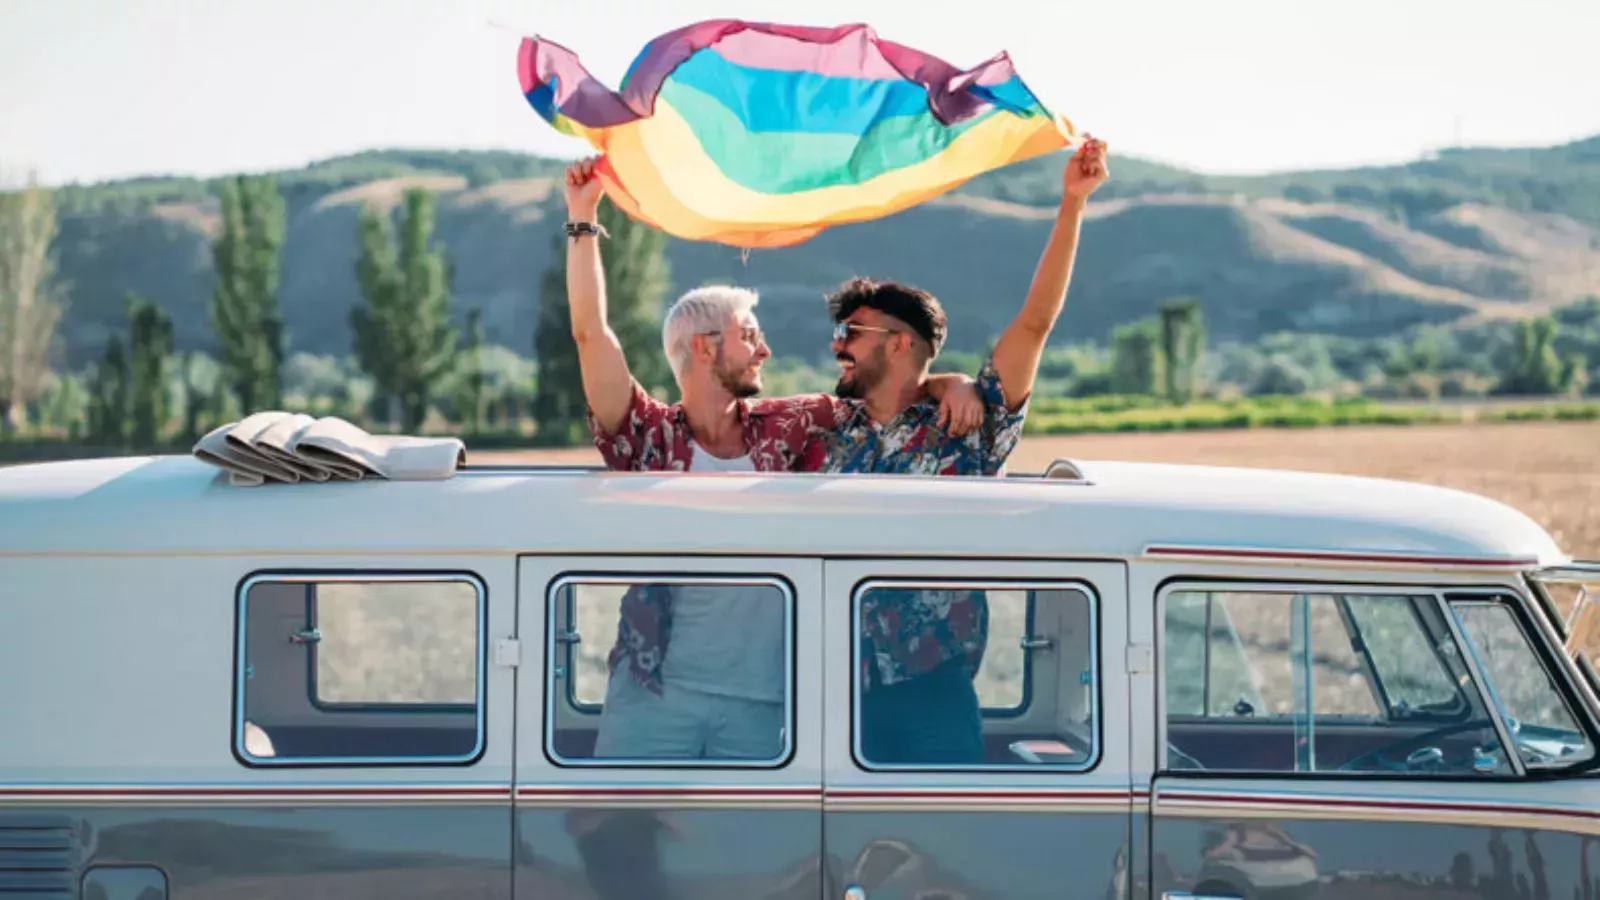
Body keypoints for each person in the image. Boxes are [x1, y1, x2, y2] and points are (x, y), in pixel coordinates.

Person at [560, 158, 986, 760]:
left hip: (762, 704)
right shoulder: (647, 439)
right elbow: (590, 335)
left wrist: (951, 383)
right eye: (749, 335)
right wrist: (582, 219)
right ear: (704, 348)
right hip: (654, 692)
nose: (765, 349)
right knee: (628, 820)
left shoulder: (793, 425)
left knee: (749, 830)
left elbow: (889, 390)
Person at [837, 136, 1110, 764]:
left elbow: (1034, 325)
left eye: (851, 332)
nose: (837, 346)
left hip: (933, 694)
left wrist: (1072, 204)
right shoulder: (824, 425)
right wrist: (942, 380)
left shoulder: (971, 425)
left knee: (947, 826)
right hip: (829, 685)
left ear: (900, 344)